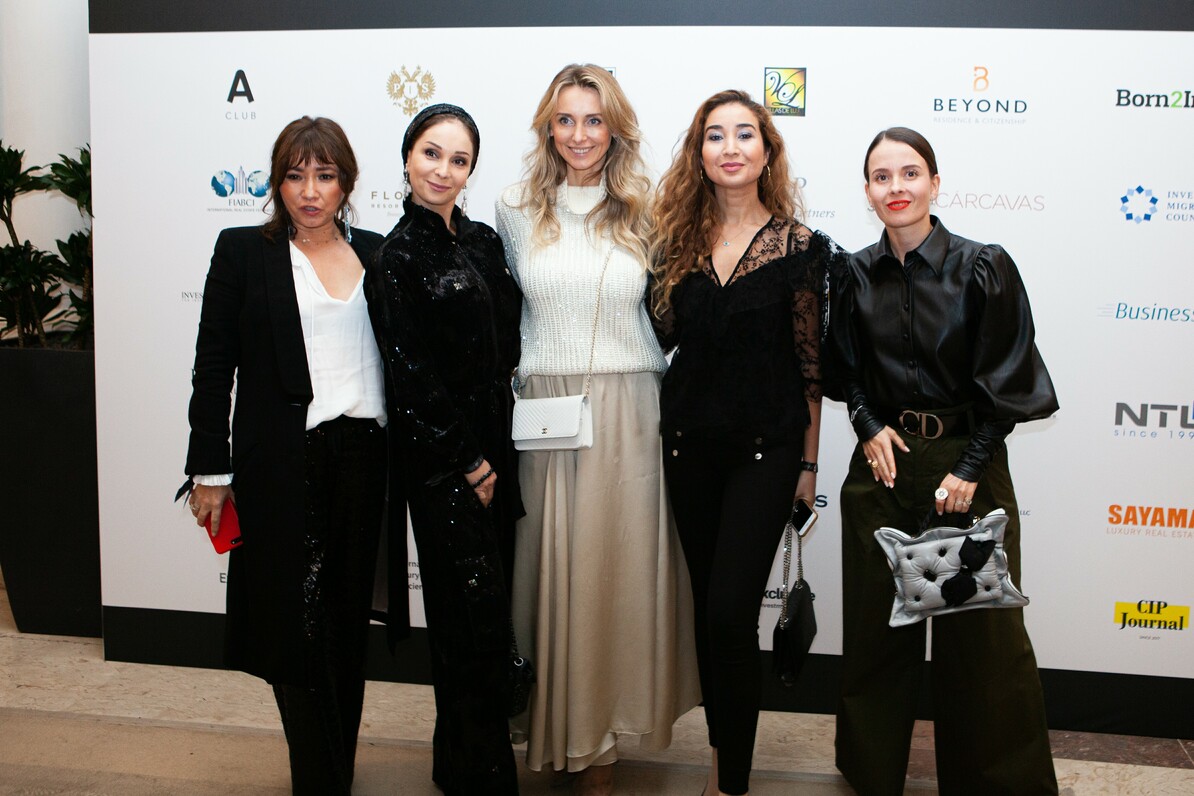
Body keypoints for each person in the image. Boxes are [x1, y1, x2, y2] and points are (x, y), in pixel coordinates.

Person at [829, 126, 1059, 795]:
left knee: (982, 642)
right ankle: (872, 775)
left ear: (934, 182)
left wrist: (970, 466)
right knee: (876, 634)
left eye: (909, 173)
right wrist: (867, 424)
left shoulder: (982, 266)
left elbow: (1010, 377)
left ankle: (997, 783)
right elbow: (844, 369)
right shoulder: (853, 274)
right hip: (883, 469)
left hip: (966, 465)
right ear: (867, 191)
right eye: (881, 177)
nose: (895, 188)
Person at [496, 64, 701, 795]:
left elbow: (675, 315)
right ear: (547, 128)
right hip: (544, 413)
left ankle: (604, 744)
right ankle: (557, 730)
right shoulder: (513, 209)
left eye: (593, 119)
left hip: (629, 412)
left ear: (615, 128)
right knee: (548, 573)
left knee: (613, 579)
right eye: (565, 120)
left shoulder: (650, 209)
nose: (579, 134)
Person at [183, 116, 395, 795]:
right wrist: (209, 471)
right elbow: (213, 367)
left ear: (346, 183)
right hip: (282, 465)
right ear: (276, 183)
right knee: (295, 629)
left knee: (344, 629)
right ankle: (319, 779)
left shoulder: (378, 252)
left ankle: (334, 773)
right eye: (295, 176)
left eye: (324, 176)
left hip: (364, 459)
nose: (309, 191)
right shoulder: (245, 252)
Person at [650, 89, 847, 796]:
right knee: (710, 616)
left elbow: (811, 369)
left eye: (744, 134)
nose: (729, 147)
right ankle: (720, 753)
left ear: (767, 151)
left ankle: (731, 779)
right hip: (688, 447)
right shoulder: (673, 245)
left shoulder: (801, 249)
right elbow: (660, 339)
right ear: (698, 153)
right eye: (714, 135)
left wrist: (808, 465)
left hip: (767, 450)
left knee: (732, 612)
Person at [365, 103, 523, 795]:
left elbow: (507, 342)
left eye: (459, 160)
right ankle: (482, 779)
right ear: (407, 157)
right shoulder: (395, 256)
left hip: (499, 452)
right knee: (469, 628)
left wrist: (494, 457)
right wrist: (468, 461)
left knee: (486, 620)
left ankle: (456, 765)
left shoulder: (484, 242)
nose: (443, 170)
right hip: (443, 468)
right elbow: (410, 377)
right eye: (431, 153)